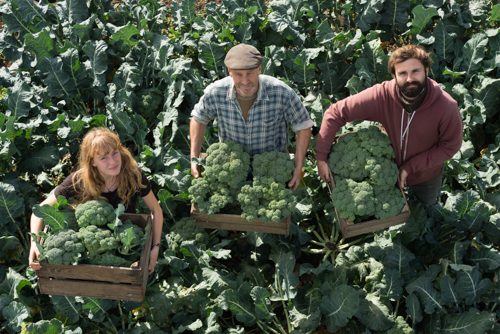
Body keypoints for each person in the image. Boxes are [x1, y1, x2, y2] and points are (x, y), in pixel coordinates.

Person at [316, 45, 463, 206]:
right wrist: (321, 158)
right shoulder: (382, 96)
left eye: (415, 71)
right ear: (394, 75)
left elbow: (450, 146)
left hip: (426, 175)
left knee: (427, 207)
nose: (409, 79)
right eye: (402, 73)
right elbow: (335, 113)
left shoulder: (446, 106)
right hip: (386, 171)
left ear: (426, 70)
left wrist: (410, 167)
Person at [28, 127, 164, 273]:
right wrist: (35, 244)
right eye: (103, 158)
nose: (112, 161)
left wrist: (155, 247)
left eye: (114, 153)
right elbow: (39, 211)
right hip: (90, 246)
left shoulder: (133, 174)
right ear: (92, 162)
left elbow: (155, 210)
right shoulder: (79, 180)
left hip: (126, 240)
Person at [190, 43, 313, 189]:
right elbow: (198, 119)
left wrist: (299, 166)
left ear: (259, 69)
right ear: (229, 71)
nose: (245, 81)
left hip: (271, 170)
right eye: (238, 74)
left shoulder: (281, 92)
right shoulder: (216, 92)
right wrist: (194, 157)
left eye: (250, 73)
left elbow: (303, 126)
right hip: (231, 168)